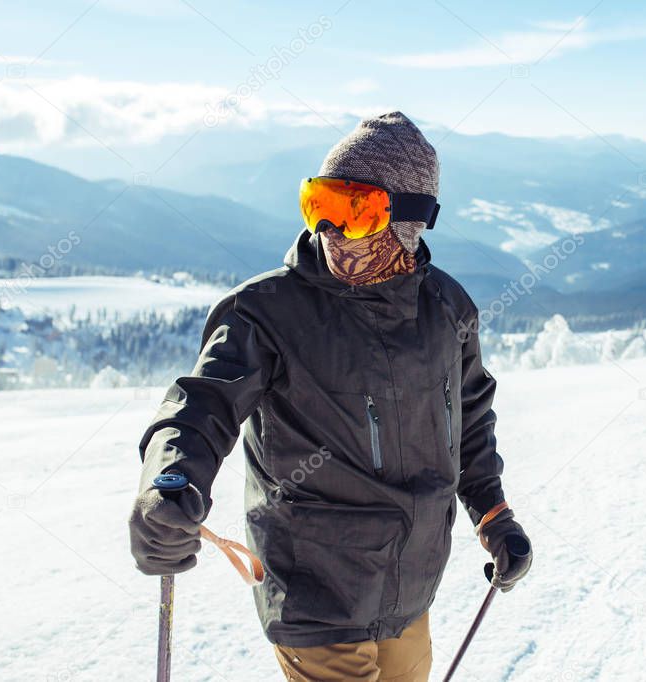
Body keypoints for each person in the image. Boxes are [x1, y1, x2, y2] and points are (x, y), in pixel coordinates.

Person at [128, 111, 532, 681]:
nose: (330, 230)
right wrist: (169, 481)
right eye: (319, 204)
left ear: (409, 222)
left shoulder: (447, 311)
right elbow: (200, 407)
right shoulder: (267, 314)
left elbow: (468, 420)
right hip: (316, 596)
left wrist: (494, 514)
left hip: (411, 589)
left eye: (354, 210)